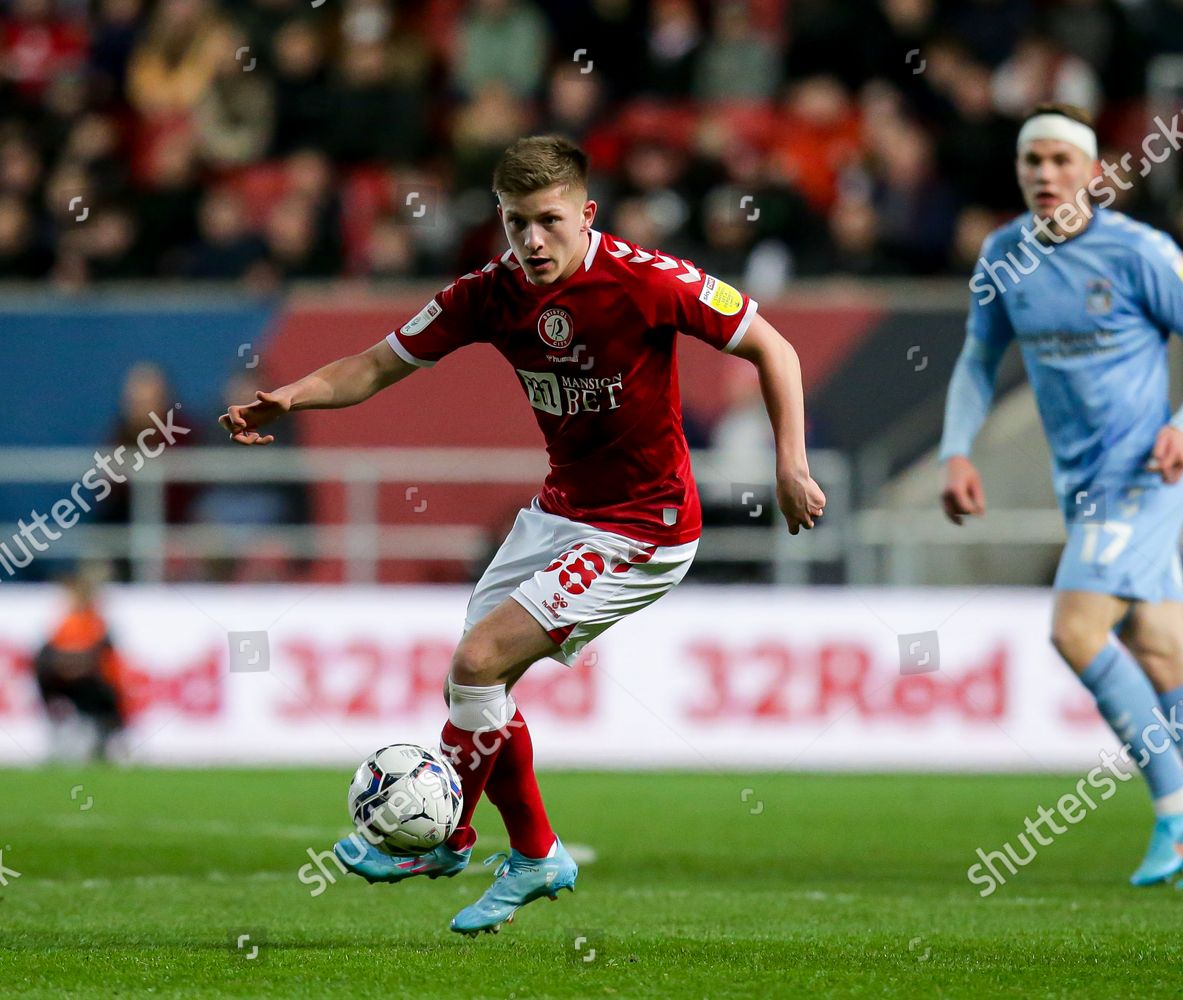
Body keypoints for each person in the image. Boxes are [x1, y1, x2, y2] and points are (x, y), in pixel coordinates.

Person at [219, 135, 825, 933]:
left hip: (644, 527)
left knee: (476, 661)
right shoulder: (489, 293)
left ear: (586, 214)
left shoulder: (648, 282)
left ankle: (450, 838)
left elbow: (772, 346)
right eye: (515, 224)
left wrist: (791, 464)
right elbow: (376, 364)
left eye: (548, 221)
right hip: (559, 514)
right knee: (472, 688)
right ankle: (535, 853)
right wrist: (290, 397)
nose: (532, 242)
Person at [938, 104, 1183, 890]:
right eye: (1033, 162)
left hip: (1143, 475)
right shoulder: (1004, 255)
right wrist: (957, 449)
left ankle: (1177, 805)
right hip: (1083, 487)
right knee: (1167, 658)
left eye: (1062, 160)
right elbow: (975, 361)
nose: (1046, 175)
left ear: (1094, 173)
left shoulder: (1139, 252)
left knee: (1075, 629)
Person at [33, 569, 126, 761]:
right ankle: (63, 732)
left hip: (95, 683)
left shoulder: (95, 622)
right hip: (68, 681)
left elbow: (99, 655)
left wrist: (73, 665)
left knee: (99, 696)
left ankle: (99, 742)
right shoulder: (66, 623)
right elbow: (46, 655)